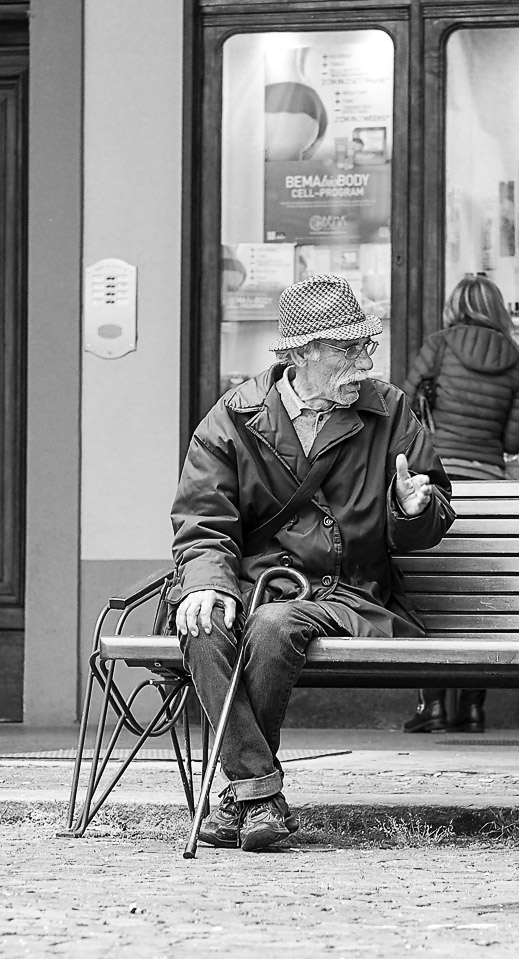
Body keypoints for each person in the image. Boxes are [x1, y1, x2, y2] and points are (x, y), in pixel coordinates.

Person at [171, 274, 456, 852]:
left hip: (348, 593)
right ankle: (257, 795)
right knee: (204, 624)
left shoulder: (391, 410)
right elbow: (203, 520)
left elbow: (431, 517)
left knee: (276, 626)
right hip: (257, 587)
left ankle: (242, 795)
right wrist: (206, 583)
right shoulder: (230, 419)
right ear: (302, 354)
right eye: (347, 349)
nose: (363, 360)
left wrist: (413, 508)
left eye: (365, 346)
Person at [399, 274, 519, 734]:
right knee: (480, 594)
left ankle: (432, 705)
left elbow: (405, 406)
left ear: (456, 306)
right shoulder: (516, 360)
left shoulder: (438, 346)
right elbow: (517, 438)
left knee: (433, 588)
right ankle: (473, 707)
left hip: (436, 479)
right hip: (489, 481)